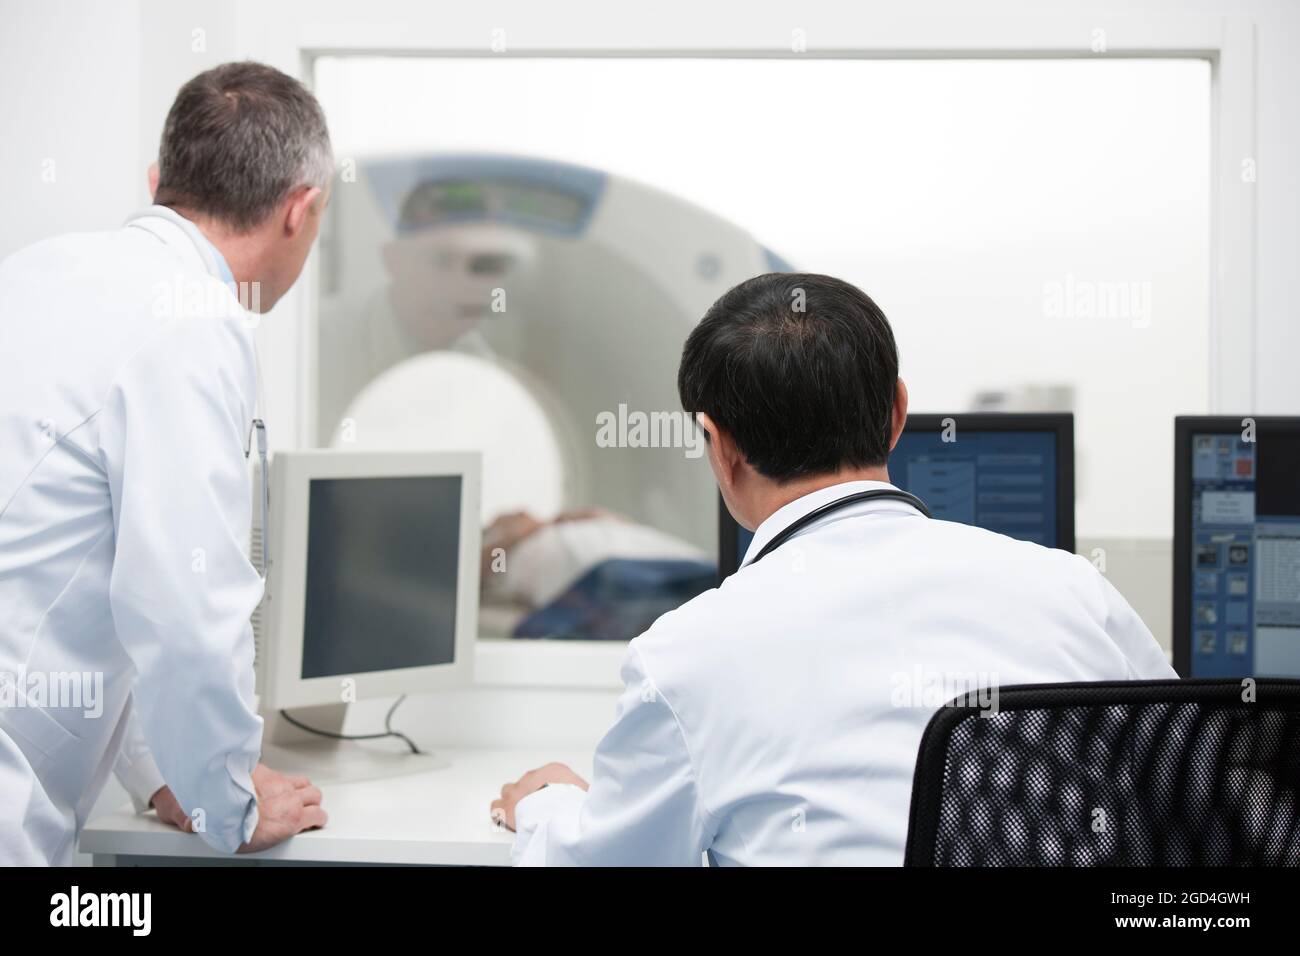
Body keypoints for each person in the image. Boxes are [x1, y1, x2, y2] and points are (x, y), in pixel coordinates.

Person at [491, 272, 1176, 866]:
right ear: (898, 414)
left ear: (720, 449)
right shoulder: (1077, 593)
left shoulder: (684, 659)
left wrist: (547, 806)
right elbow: (1202, 791)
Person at [0, 62, 333, 865]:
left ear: (159, 182)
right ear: (302, 209)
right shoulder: (191, 325)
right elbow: (185, 611)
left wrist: (161, 776)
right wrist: (231, 803)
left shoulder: (34, 274)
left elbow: (105, 572)